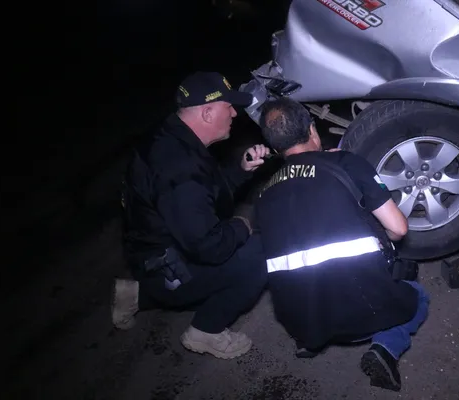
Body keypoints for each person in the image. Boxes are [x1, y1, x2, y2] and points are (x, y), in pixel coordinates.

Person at [253, 97, 430, 392]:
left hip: (303, 321)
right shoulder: (346, 163)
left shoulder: (263, 195)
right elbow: (399, 229)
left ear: (274, 149)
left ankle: (311, 342)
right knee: (418, 296)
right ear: (313, 131)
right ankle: (385, 348)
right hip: (365, 312)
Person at [111, 71, 272, 360]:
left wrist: (239, 170)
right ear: (208, 113)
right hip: (166, 265)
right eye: (229, 107)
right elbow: (208, 246)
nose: (235, 114)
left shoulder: (174, 136)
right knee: (261, 251)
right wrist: (241, 227)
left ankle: (138, 294)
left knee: (234, 241)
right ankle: (205, 330)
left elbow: (203, 190)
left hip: (155, 255)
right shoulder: (179, 169)